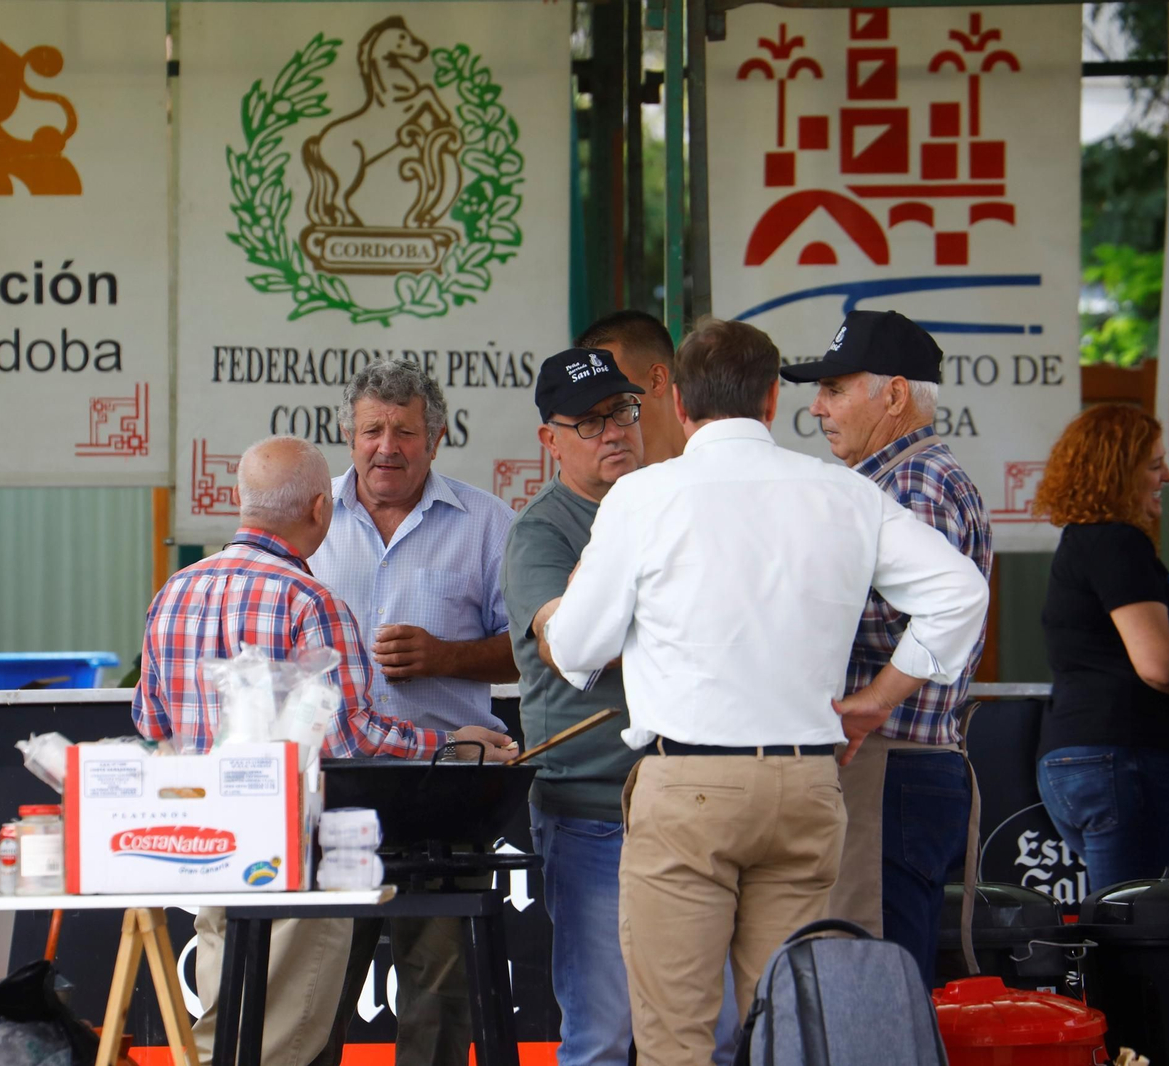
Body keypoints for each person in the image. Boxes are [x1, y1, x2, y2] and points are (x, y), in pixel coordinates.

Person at [546, 317, 990, 1066]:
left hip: (687, 786)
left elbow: (578, 650)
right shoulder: (843, 493)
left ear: (680, 403)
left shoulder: (645, 495)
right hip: (807, 782)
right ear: (769, 405)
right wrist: (881, 696)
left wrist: (563, 610)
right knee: (793, 1029)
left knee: (676, 1038)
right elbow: (960, 594)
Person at [132, 435, 512, 1066]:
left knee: (235, 1023)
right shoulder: (310, 601)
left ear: (239, 500)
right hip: (298, 852)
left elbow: (152, 720)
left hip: (213, 851)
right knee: (282, 1042)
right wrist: (451, 746)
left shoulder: (173, 592)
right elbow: (351, 738)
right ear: (320, 509)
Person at [310, 360, 518, 1066]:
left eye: (405, 431)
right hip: (333, 786)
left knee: (440, 991)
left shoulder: (488, 522)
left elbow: (535, 653)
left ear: (437, 437)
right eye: (372, 430)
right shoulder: (310, 519)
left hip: (446, 788)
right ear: (347, 434)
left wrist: (443, 657)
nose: (386, 447)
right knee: (315, 986)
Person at [780, 309, 993, 987]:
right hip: (892, 766)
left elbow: (928, 618)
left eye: (836, 389)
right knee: (880, 978)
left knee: (871, 987)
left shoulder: (911, 484)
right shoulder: (897, 478)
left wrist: (867, 700)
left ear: (894, 395)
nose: (816, 407)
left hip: (886, 760)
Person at [501, 348, 644, 1066]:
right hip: (590, 806)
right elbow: (570, 645)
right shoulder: (542, 530)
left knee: (713, 1028)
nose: (613, 430)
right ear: (548, 439)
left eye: (622, 411)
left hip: (684, 799)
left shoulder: (665, 503)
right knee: (603, 1032)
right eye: (589, 422)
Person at [1031, 404, 1169, 890]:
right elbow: (1159, 667)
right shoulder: (1115, 541)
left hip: (1096, 758)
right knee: (1136, 931)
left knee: (1126, 923)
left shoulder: (1090, 542)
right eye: (1154, 465)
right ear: (1117, 474)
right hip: (1123, 759)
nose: (1167, 476)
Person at [576, 310, 685, 462]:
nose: (608, 431)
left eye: (612, 391)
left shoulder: (721, 461)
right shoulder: (607, 481)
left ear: (656, 380)